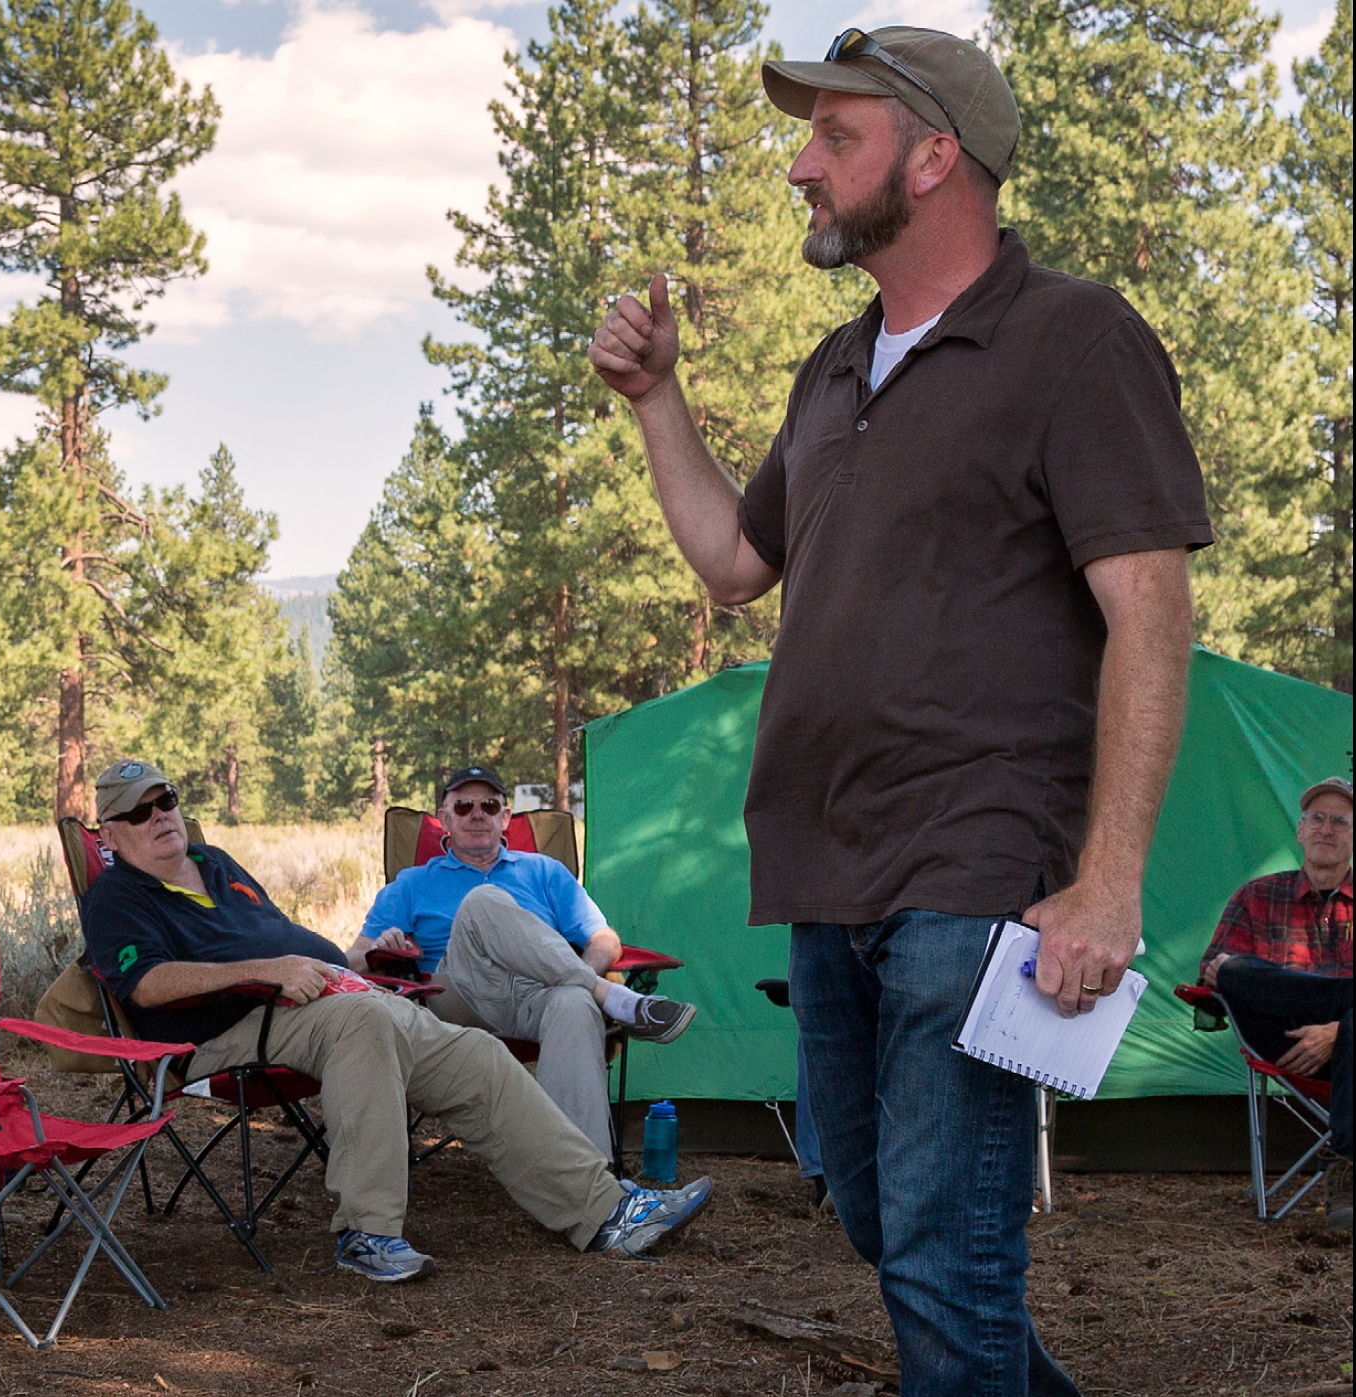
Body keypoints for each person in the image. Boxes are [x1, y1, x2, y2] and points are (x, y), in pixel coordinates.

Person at [591, 25, 1206, 1395]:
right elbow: (734, 564)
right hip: (825, 871)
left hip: (976, 865)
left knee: (941, 1249)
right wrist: (656, 400)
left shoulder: (1072, 338)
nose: (799, 165)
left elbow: (1152, 617)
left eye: (835, 136)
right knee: (889, 1223)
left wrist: (1107, 882)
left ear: (935, 159)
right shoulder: (833, 372)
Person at [81, 759, 712, 1283]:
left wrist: (331, 963)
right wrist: (275, 968)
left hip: (320, 999)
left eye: (164, 799)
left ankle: (606, 1213)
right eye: (137, 812)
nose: (159, 815)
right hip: (223, 1034)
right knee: (364, 1022)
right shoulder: (117, 897)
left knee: (477, 1055)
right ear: (108, 835)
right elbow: (146, 983)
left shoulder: (215, 862)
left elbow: (288, 935)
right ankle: (368, 1232)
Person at [353, 763, 699, 1149]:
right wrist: (380, 948)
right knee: (483, 903)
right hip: (455, 999)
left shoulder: (545, 872)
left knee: (572, 1002)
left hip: (537, 993)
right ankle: (614, 997)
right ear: (445, 819)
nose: (477, 814)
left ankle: (586, 1186)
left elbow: (604, 938)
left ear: (505, 818)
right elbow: (352, 959)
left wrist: (579, 973)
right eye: (464, 806)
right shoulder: (414, 882)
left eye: (489, 805)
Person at [1198, 776, 1353, 1228]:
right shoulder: (1257, 894)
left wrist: (1338, 1029)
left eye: (1341, 822)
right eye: (1317, 819)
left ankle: (1345, 1172)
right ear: (1300, 830)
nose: (1326, 829)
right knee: (1233, 970)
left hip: (1348, 1047)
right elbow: (1212, 973)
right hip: (1280, 1037)